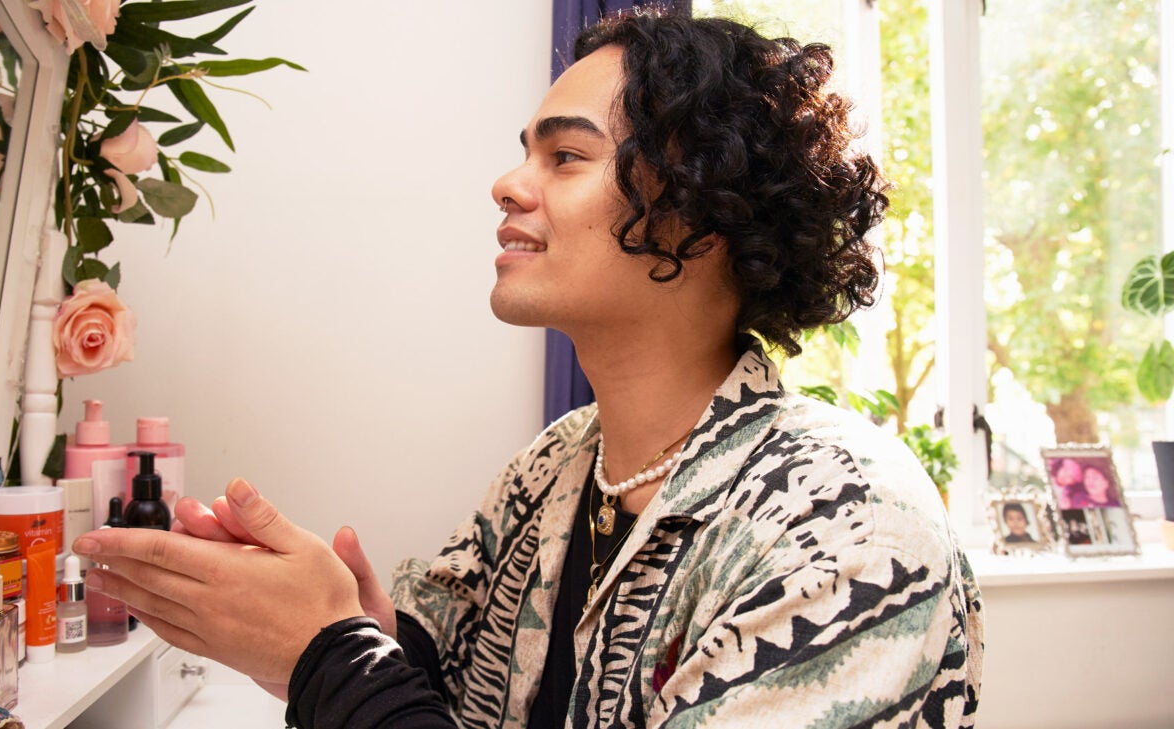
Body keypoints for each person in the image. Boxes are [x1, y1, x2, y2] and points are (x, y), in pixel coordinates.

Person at [73, 9, 984, 728]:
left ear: (701, 214)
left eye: (565, 155)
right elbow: (453, 675)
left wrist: (329, 657)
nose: (509, 184)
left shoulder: (847, 528)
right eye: (525, 152)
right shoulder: (551, 469)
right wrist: (348, 627)